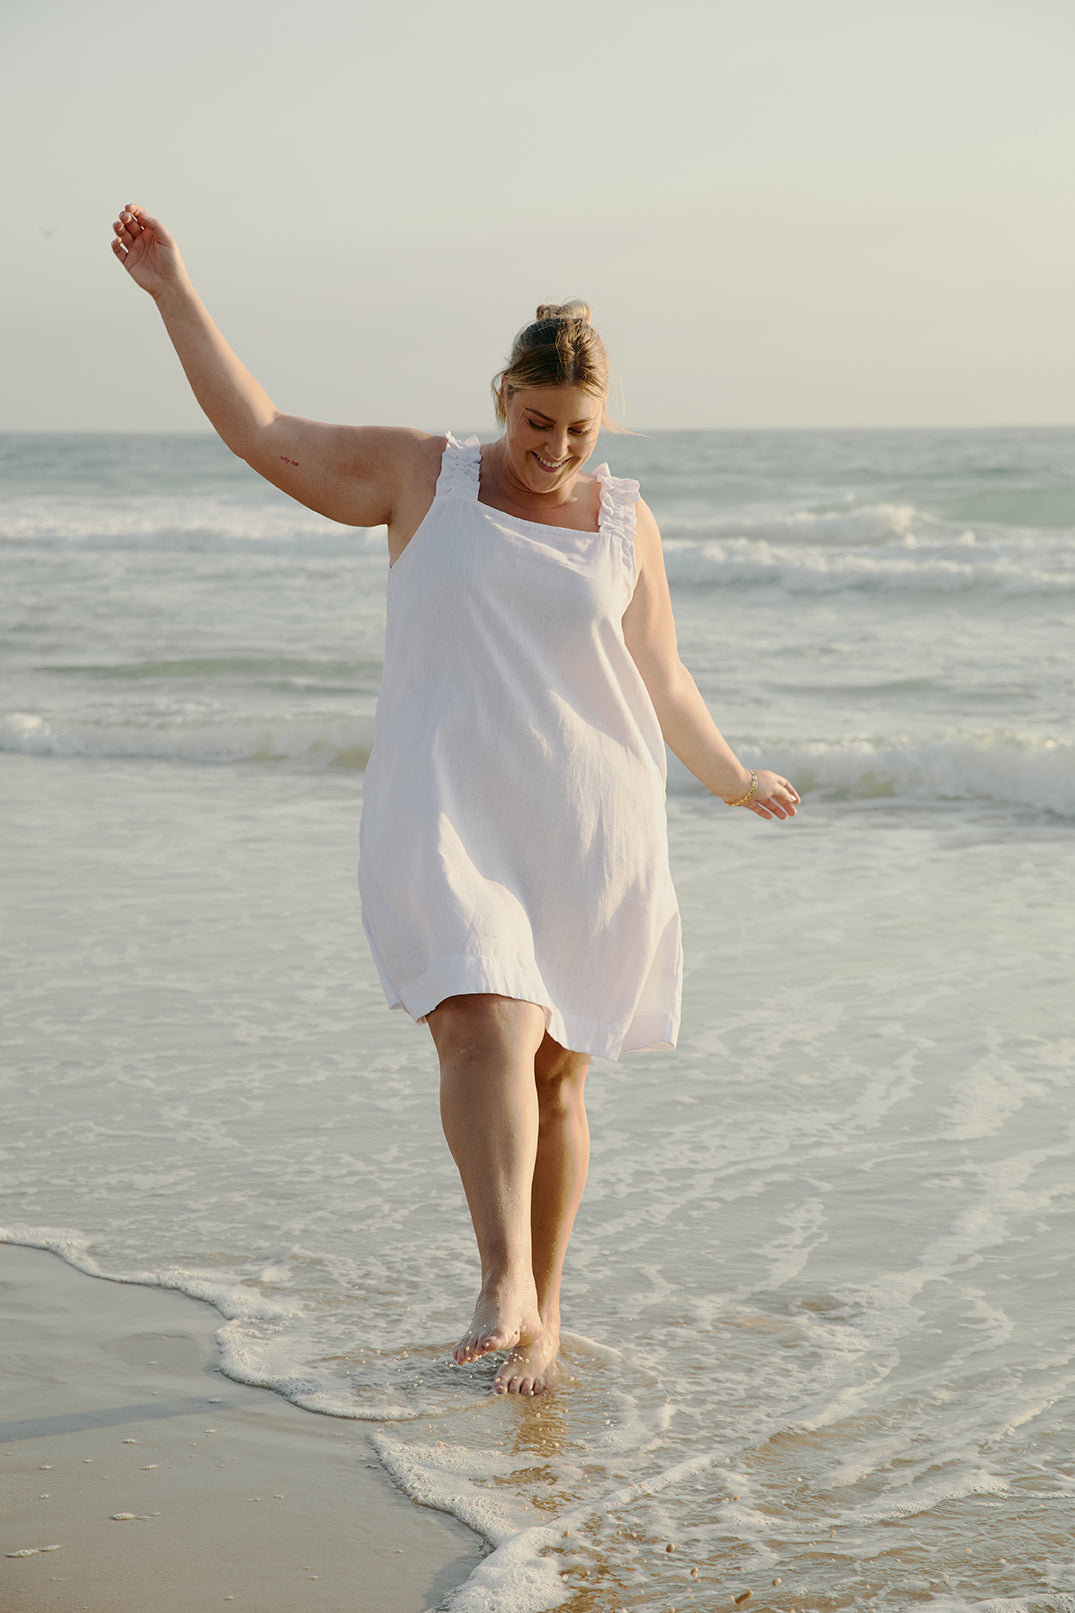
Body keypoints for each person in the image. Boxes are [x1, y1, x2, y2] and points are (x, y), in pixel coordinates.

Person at [110, 203, 800, 1398]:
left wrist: (731, 776)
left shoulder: (627, 519)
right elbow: (261, 431)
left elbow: (662, 675)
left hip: (588, 820)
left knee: (559, 1075)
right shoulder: (420, 476)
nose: (555, 450)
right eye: (537, 423)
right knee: (482, 1017)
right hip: (449, 803)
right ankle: (499, 1277)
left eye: (578, 432)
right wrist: (174, 290)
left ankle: (545, 1307)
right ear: (503, 399)